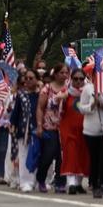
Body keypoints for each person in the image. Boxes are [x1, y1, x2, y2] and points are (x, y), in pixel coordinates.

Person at [79, 62, 103, 199]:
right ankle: (95, 185)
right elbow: (81, 108)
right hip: (91, 130)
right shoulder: (88, 88)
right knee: (95, 158)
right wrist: (93, 104)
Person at [35, 63, 69, 193]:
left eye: (66, 73)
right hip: (49, 126)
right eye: (61, 73)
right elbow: (40, 107)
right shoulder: (47, 89)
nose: (64, 75)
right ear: (55, 74)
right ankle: (41, 179)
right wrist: (39, 125)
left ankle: (61, 182)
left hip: (64, 127)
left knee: (63, 157)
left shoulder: (69, 89)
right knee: (48, 155)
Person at [59, 67, 89, 195]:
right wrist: (60, 99)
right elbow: (58, 110)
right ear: (71, 79)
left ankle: (78, 184)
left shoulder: (88, 93)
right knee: (70, 155)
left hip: (85, 129)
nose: (78, 81)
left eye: (81, 79)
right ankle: (70, 183)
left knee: (83, 155)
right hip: (68, 129)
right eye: (75, 79)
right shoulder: (66, 93)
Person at [10, 69, 40, 193]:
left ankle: (36, 180)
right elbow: (15, 113)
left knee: (37, 155)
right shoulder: (21, 95)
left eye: (31, 78)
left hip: (38, 129)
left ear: (37, 80)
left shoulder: (41, 94)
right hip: (23, 130)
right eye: (26, 78)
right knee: (23, 155)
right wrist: (13, 127)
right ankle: (25, 181)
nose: (27, 81)